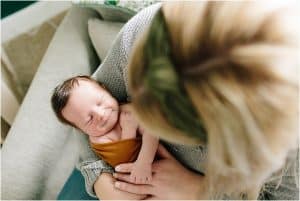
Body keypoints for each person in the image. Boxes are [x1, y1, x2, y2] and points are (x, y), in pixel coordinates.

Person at [60, 1, 299, 200]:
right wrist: (101, 182)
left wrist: (199, 191)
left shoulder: (289, 142)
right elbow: (79, 115)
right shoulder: (143, 31)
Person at [51, 75, 158, 197]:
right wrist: (130, 130)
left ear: (105, 90)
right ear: (81, 130)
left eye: (100, 102)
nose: (100, 114)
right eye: (89, 119)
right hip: (131, 188)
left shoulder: (126, 109)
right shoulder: (99, 140)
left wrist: (145, 161)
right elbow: (123, 161)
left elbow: (153, 129)